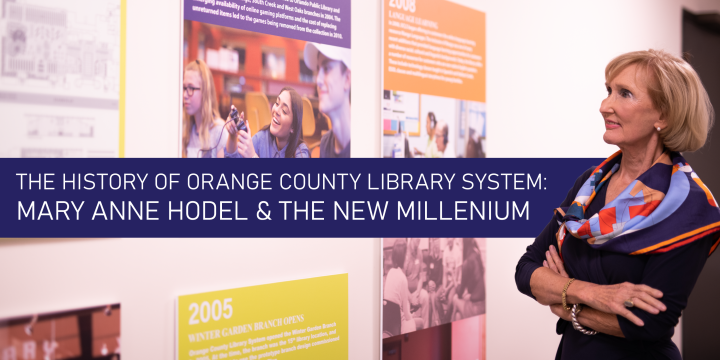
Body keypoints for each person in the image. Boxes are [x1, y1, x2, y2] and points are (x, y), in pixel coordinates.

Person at [515, 49, 718, 359]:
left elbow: (648, 324)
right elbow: (526, 270)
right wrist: (593, 294)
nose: (604, 105)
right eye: (608, 90)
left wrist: (562, 299)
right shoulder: (590, 184)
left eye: (624, 94)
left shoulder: (689, 207)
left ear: (663, 115)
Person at [224, 87, 309, 158]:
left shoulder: (301, 152)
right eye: (277, 103)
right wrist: (232, 135)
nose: (276, 110)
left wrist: (253, 156)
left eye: (284, 111)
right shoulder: (262, 137)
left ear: (293, 127)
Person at [304, 43, 351, 158]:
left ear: (347, 79)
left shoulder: (368, 143)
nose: (318, 80)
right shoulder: (325, 144)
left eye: (327, 69)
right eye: (318, 70)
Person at [182, 59, 228, 158]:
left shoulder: (219, 131)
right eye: (184, 88)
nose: (185, 95)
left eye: (191, 88)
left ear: (205, 92)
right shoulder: (187, 130)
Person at [383, 239, 413, 338]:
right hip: (399, 324)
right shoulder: (403, 278)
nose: (408, 258)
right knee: (417, 322)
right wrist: (412, 316)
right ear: (402, 257)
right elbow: (407, 314)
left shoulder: (390, 272)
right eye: (407, 255)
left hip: (388, 325)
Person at [452, 238, 486, 321]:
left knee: (455, 299)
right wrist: (469, 296)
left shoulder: (467, 263)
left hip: (475, 309)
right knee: (458, 316)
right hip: (483, 305)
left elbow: (460, 293)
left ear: (465, 244)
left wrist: (454, 281)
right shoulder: (477, 255)